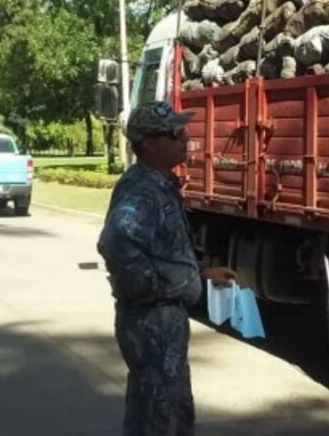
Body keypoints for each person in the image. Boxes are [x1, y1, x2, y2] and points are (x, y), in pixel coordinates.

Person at [98, 100, 236, 436]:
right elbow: (116, 244)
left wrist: (200, 274)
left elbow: (162, 249)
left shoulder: (160, 184)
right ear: (149, 144)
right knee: (155, 416)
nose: (185, 137)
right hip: (150, 322)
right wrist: (169, 285)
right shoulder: (142, 191)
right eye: (174, 134)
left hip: (164, 320)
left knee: (171, 410)